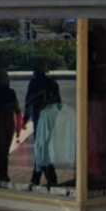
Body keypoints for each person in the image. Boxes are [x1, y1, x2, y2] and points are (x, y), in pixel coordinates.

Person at [25, 61, 62, 189]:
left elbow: (28, 102)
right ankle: (38, 177)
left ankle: (48, 177)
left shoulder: (34, 83)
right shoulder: (53, 84)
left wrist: (25, 118)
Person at [0, 69, 20, 186]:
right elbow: (17, 110)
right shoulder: (10, 92)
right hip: (7, 124)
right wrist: (18, 128)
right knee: (2, 153)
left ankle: (3, 176)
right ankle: (3, 176)